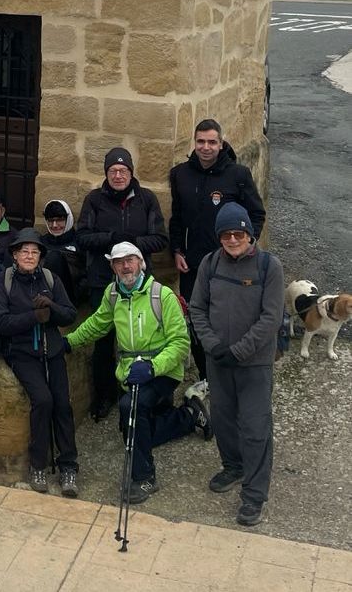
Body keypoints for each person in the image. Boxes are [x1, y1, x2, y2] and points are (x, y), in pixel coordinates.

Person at [65, 242, 211, 504]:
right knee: (132, 431)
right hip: (130, 373)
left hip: (163, 371)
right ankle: (189, 416)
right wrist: (68, 342)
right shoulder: (112, 294)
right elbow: (97, 325)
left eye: (130, 260)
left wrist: (153, 367)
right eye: (119, 262)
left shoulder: (161, 295)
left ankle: (145, 478)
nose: (125, 266)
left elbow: (180, 343)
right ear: (112, 266)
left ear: (141, 262)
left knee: (131, 409)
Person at [189, 203, 283, 527]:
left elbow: (271, 319)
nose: (232, 239)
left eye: (238, 233)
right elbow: (197, 308)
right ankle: (233, 466)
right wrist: (213, 346)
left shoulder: (269, 267)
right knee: (224, 420)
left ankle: (254, 497)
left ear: (249, 234)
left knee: (256, 428)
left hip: (254, 364)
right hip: (219, 360)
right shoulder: (209, 263)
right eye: (226, 234)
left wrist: (239, 351)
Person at [170, 120, 266, 382]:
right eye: (200, 141)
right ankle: (206, 375)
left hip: (230, 263)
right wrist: (177, 249)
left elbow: (256, 214)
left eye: (212, 142)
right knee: (198, 322)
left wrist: (247, 245)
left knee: (228, 319)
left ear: (221, 144)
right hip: (193, 264)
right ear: (194, 142)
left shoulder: (238, 175)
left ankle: (233, 367)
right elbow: (176, 217)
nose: (206, 147)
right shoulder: (180, 174)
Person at [76, 147, 168, 420]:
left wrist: (134, 245)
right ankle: (105, 395)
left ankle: (143, 392)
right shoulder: (94, 200)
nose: (118, 175)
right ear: (106, 173)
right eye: (113, 171)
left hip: (138, 281)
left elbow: (160, 239)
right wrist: (112, 238)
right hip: (102, 281)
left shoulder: (146, 199)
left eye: (123, 170)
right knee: (103, 341)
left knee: (142, 339)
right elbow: (83, 237)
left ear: (131, 172)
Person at [0, 228, 79, 497]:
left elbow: (69, 315)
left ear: (41, 256)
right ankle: (38, 464)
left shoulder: (51, 280)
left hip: (50, 350)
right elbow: (1, 322)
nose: (29, 255)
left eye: (34, 251)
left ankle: (69, 466)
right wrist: (34, 316)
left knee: (63, 404)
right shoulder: (2, 281)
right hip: (22, 352)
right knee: (43, 400)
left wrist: (51, 307)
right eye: (24, 251)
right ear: (15, 255)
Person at [39, 198, 84, 304]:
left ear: (68, 219)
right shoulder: (42, 241)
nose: (54, 225)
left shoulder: (79, 242)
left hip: (70, 295)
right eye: (50, 221)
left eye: (59, 220)